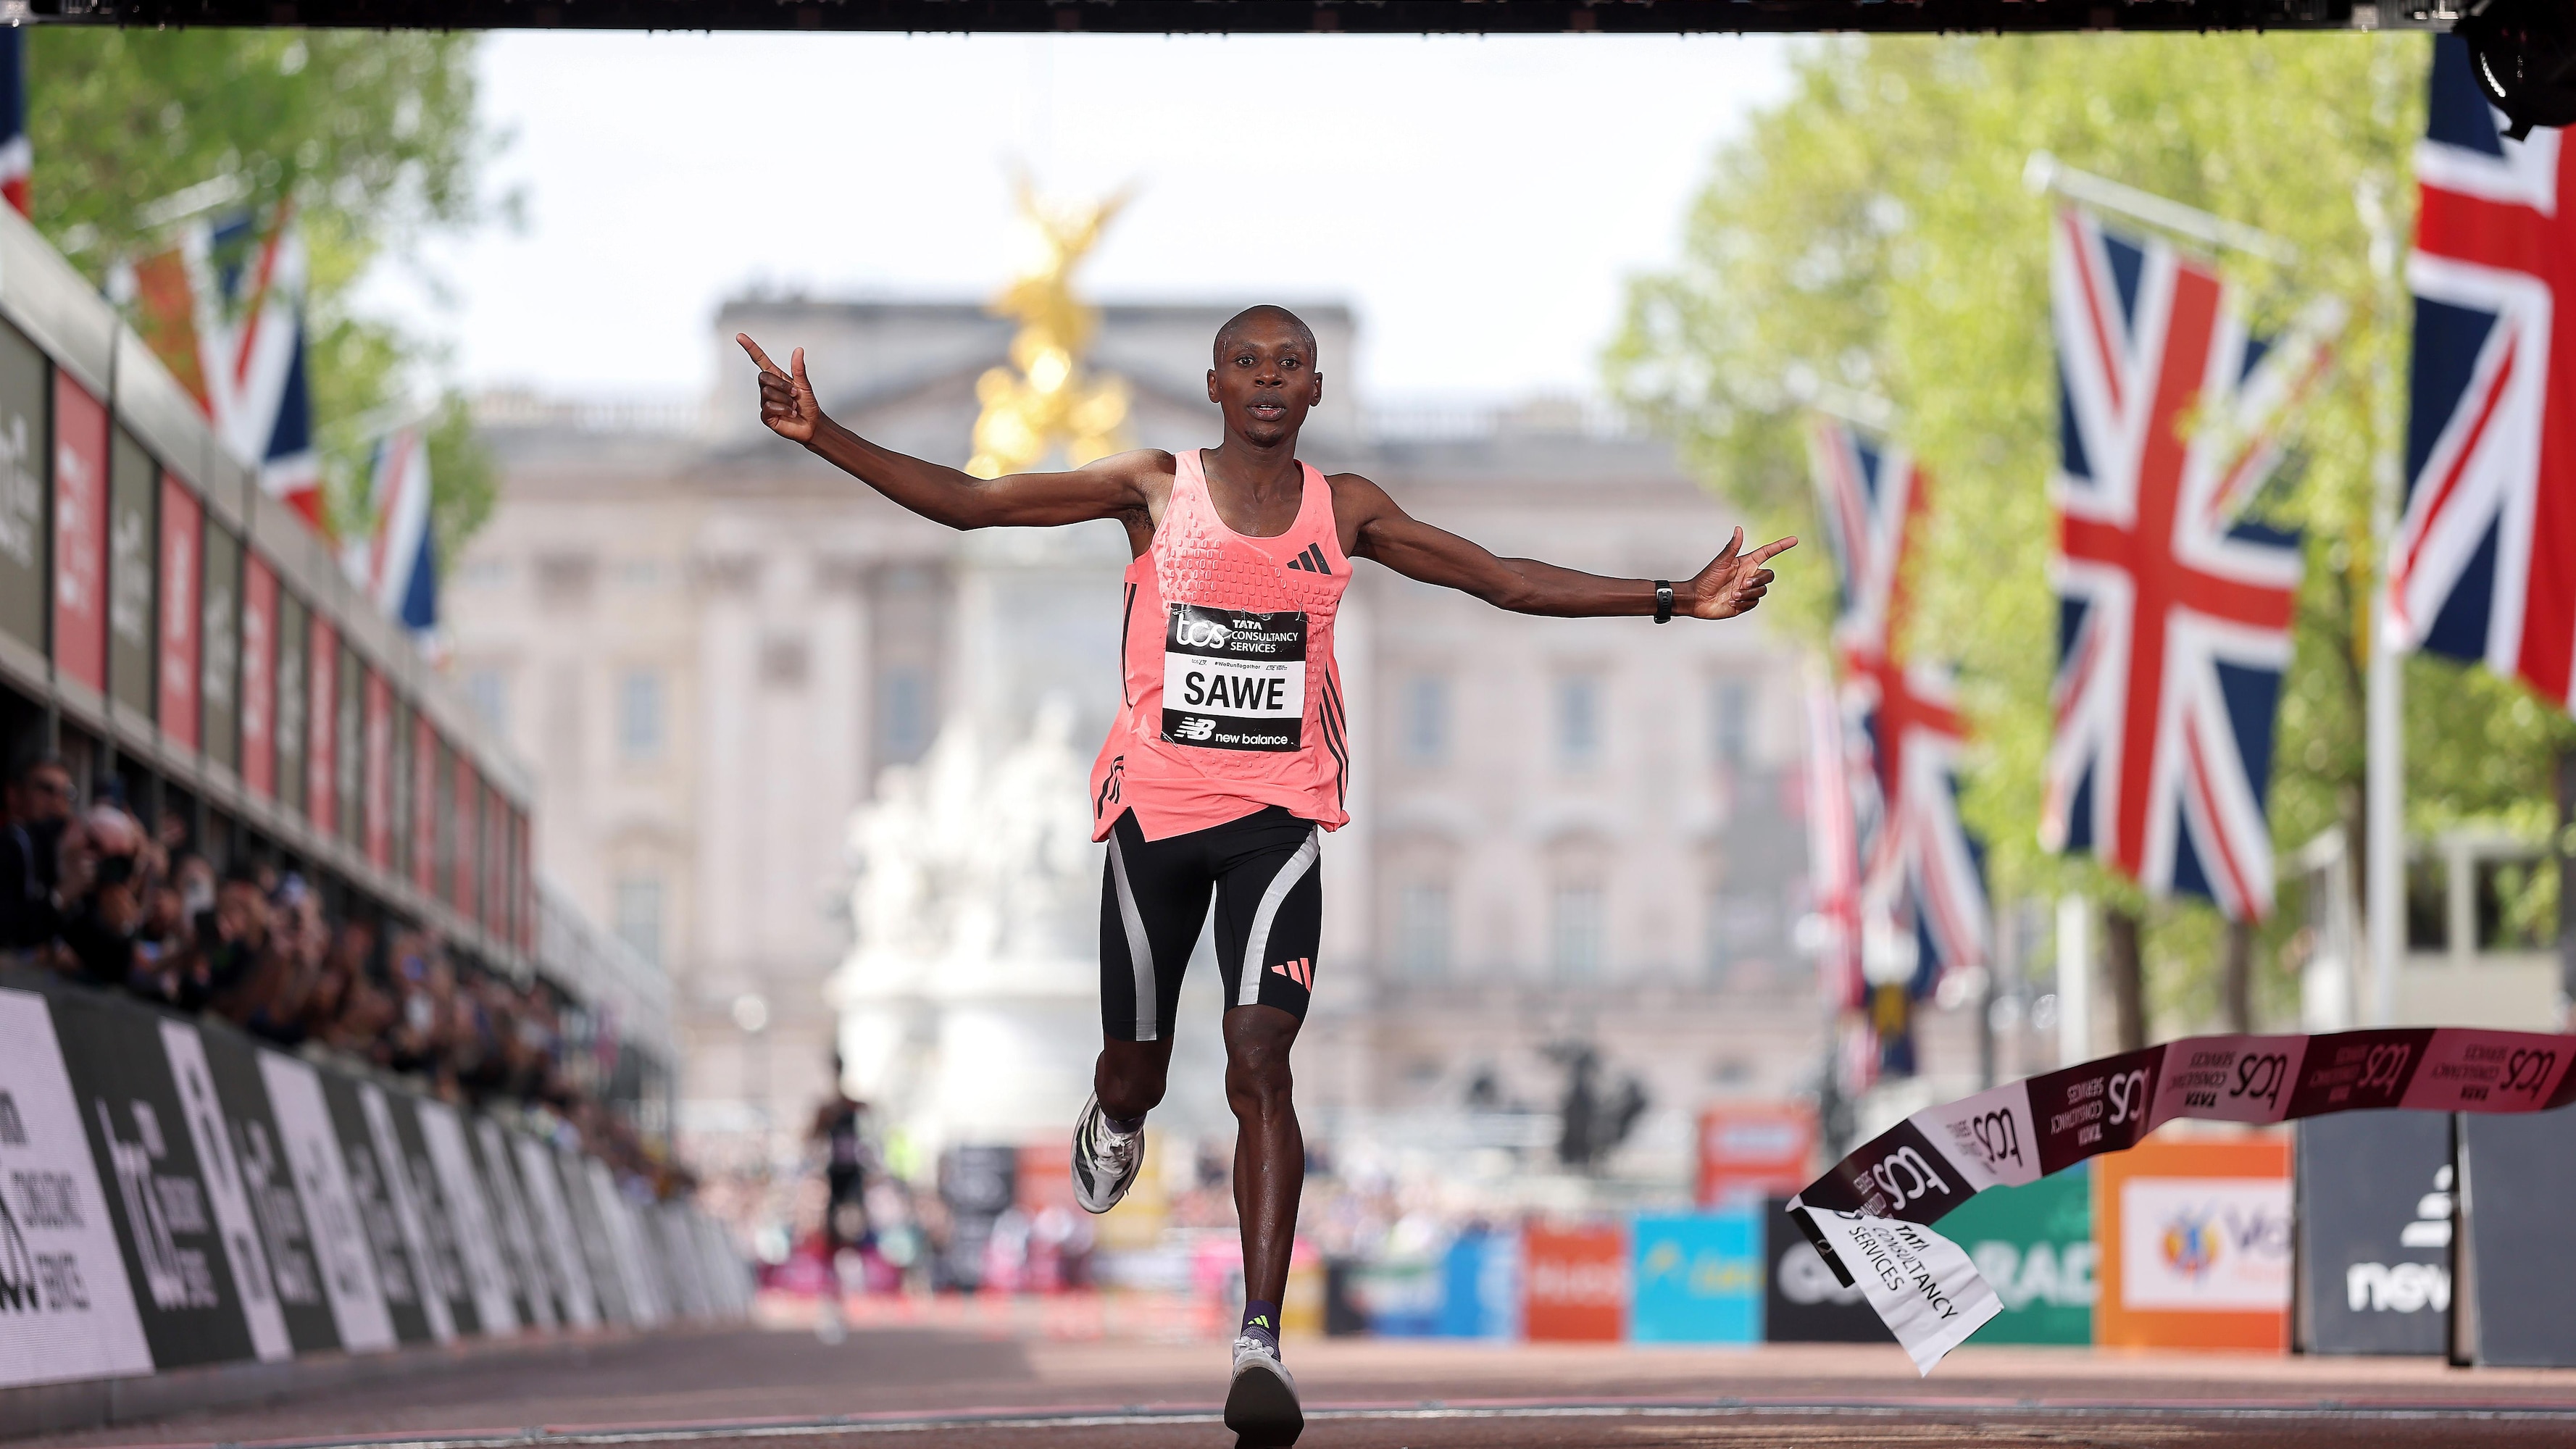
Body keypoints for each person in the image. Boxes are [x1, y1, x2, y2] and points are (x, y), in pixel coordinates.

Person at [738, 308, 1792, 1446]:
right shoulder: (1152, 489)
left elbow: (1500, 580)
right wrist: (824, 436)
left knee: (1259, 1062)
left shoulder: (1347, 511)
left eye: (1290, 365)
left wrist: (1676, 599)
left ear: (1317, 389)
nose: (1270, 381)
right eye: (1249, 364)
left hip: (1277, 828)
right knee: (1137, 1075)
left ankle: (1258, 1334)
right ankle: (1117, 1114)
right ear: (1214, 386)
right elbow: (978, 502)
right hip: (1154, 825)